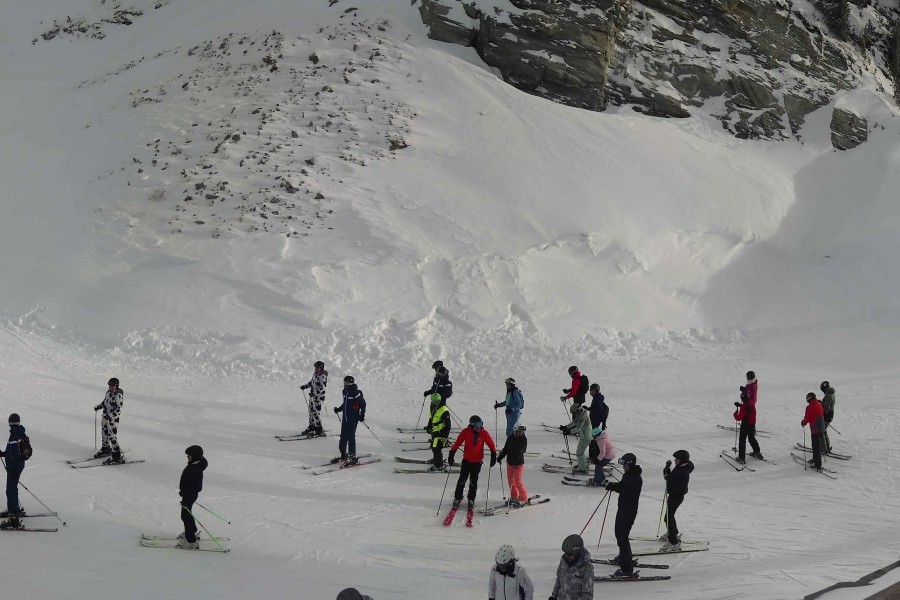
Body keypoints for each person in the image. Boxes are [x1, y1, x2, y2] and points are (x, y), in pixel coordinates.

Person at [603, 452, 643, 578]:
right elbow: (622, 487)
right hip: (623, 509)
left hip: (628, 511)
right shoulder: (628, 475)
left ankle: (627, 570)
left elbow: (625, 489)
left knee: (622, 538)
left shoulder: (635, 479)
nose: (623, 467)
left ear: (630, 464)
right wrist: (612, 486)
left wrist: (615, 486)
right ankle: (623, 558)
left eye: (625, 464)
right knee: (619, 535)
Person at [448, 415, 497, 513]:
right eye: (477, 425)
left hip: (477, 462)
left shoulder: (484, 433)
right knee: (462, 480)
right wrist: (451, 453)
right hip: (466, 461)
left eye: (480, 424)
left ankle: (471, 499)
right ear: (471, 425)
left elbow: (491, 445)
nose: (479, 427)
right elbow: (457, 443)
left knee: (473, 481)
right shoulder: (466, 431)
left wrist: (493, 455)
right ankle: (457, 497)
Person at [661, 449, 693, 551]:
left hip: (676, 497)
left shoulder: (683, 472)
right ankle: (672, 533)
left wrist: (668, 478)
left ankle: (674, 542)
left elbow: (678, 485)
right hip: (674, 496)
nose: (675, 460)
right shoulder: (680, 467)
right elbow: (670, 477)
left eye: (677, 459)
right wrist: (667, 469)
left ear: (682, 460)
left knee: (668, 517)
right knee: (668, 517)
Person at [0, 414, 28, 529]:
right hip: (15, 467)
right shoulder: (18, 433)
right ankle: (14, 509)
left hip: (14, 468)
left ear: (9, 423)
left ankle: (13, 518)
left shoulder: (15, 435)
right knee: (12, 488)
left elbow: (15, 455)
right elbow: (11, 453)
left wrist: (15, 470)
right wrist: (2, 454)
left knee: (10, 490)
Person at [178, 445, 208, 549]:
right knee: (187, 514)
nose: (187, 457)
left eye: (189, 456)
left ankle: (191, 540)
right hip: (189, 494)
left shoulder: (193, 470)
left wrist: (185, 495)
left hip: (189, 495)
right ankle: (192, 531)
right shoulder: (198, 464)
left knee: (185, 516)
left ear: (195, 457)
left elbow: (194, 486)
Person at [333, 376, 366, 465]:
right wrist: (339, 409)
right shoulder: (345, 391)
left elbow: (363, 404)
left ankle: (352, 457)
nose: (345, 384)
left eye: (346, 383)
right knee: (343, 436)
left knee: (351, 437)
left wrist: (362, 415)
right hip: (345, 418)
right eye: (344, 382)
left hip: (353, 418)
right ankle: (343, 454)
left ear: (351, 383)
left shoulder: (356, 392)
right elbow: (345, 403)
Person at [549, 534, 593, 600]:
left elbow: (587, 594)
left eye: (569, 554)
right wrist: (554, 596)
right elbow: (558, 579)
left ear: (577, 553)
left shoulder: (587, 567)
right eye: (566, 553)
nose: (566, 556)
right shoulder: (564, 561)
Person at [733, 371, 762, 463]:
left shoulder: (753, 386)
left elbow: (739, 417)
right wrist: (741, 405)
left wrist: (735, 413)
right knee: (751, 437)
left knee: (742, 440)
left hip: (745, 424)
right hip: (752, 423)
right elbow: (748, 407)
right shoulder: (751, 405)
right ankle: (757, 451)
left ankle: (741, 458)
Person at [94, 377, 125, 464]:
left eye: (112, 385)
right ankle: (106, 449)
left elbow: (118, 410)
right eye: (109, 385)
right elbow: (105, 402)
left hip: (113, 420)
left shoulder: (118, 396)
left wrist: (110, 416)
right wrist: (98, 406)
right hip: (105, 418)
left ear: (116, 386)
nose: (110, 387)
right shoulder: (108, 393)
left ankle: (116, 456)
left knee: (112, 437)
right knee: (104, 433)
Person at [496, 422, 528, 506]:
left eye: (522, 431)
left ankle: (523, 498)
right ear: (515, 430)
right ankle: (514, 496)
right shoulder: (510, 438)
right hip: (510, 463)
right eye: (519, 431)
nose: (521, 433)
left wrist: (517, 453)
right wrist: (500, 457)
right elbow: (506, 449)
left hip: (519, 464)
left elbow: (523, 449)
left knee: (517, 481)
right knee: (510, 481)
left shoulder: (523, 439)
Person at [299, 361, 328, 436]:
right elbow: (312, 382)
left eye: (317, 367)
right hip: (312, 397)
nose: (316, 368)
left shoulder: (323, 376)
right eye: (315, 367)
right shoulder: (315, 374)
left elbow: (322, 388)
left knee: (316, 413)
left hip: (319, 397)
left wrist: (314, 393)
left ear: (321, 368)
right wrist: (305, 386)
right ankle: (312, 426)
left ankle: (319, 429)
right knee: (311, 411)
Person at [560, 403, 591, 474]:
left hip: (586, 436)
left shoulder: (582, 416)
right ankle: (582, 464)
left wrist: (569, 431)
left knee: (580, 452)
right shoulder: (580, 413)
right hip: (583, 435)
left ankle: (583, 469)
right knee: (579, 451)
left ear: (577, 410)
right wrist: (566, 427)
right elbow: (574, 422)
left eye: (574, 413)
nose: (574, 414)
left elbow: (578, 428)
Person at [426, 393, 451, 472]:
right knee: (434, 447)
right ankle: (436, 460)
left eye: (438, 401)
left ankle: (439, 465)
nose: (436, 403)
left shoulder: (444, 410)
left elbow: (448, 425)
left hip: (441, 432)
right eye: (435, 401)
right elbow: (431, 419)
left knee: (437, 448)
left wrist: (445, 437)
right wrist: (429, 427)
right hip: (435, 431)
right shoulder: (432, 407)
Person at [801, 392, 826, 470]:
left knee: (816, 447)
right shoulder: (819, 405)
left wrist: (803, 422)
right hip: (822, 428)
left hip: (815, 429)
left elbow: (807, 418)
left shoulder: (809, 407)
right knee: (817, 446)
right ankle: (815, 460)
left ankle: (818, 465)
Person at [820, 381, 836, 453]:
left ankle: (824, 448)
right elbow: (828, 404)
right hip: (830, 414)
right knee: (824, 431)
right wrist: (821, 403)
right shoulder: (831, 394)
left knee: (822, 431)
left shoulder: (828, 395)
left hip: (827, 415)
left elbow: (827, 407)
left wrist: (822, 414)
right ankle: (827, 447)